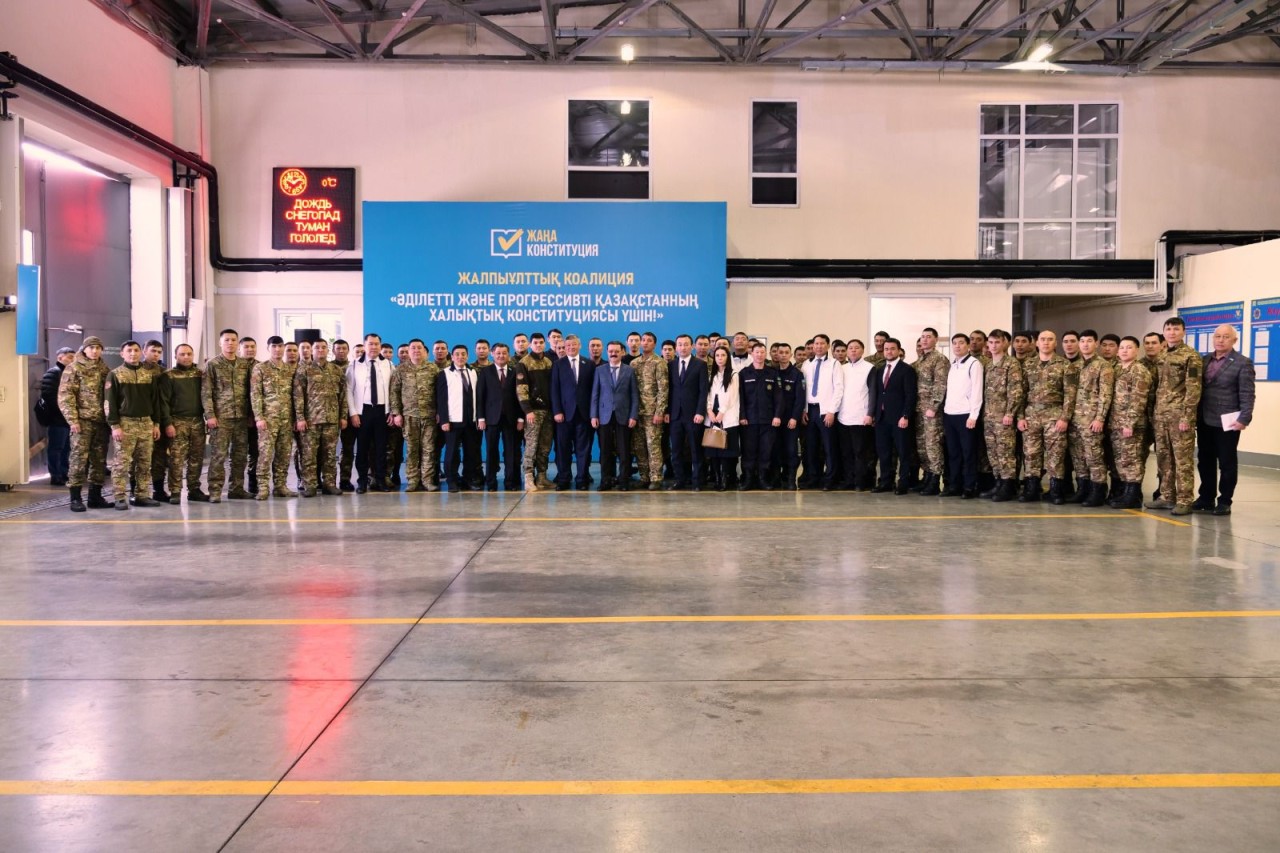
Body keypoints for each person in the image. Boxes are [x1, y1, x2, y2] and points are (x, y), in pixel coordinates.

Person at [1194, 323, 1254, 516]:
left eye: (1226, 337)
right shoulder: (1204, 360)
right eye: (1217, 336)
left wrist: (1244, 418)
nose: (1221, 340)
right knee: (1205, 460)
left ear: (1234, 340)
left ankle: (1225, 500)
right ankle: (1206, 497)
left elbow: (1247, 393)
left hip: (1229, 420)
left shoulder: (1242, 363)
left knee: (1227, 462)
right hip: (1204, 418)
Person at [1145, 317, 1203, 516]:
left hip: (1180, 416)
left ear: (1183, 332)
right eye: (1168, 329)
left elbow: (1194, 388)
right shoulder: (1161, 356)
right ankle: (1167, 496)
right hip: (1161, 415)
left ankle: (1185, 499)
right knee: (1163, 458)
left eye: (1176, 329)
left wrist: (1187, 416)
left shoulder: (1191, 356)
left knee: (1182, 459)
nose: (1172, 332)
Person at [1018, 330, 1077, 504]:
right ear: (1036, 343)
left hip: (1055, 415)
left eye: (1050, 339)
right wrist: (1020, 416)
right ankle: (1031, 489)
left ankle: (1055, 490)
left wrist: (1065, 418)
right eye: (1042, 339)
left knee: (1056, 454)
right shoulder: (1028, 364)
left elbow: (1070, 394)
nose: (1046, 342)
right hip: (1031, 415)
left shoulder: (1065, 365)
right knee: (1031, 453)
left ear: (1055, 343)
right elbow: (1021, 393)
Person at [105, 340, 162, 510]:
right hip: (125, 424)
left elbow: (155, 401)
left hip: (146, 423)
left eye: (136, 350)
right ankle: (120, 497)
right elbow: (109, 403)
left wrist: (156, 423)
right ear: (122, 354)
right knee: (121, 463)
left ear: (141, 353)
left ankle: (142, 495)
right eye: (129, 350)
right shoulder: (115, 375)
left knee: (144, 463)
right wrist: (115, 426)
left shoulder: (148, 375)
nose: (133, 353)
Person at [58, 336, 112, 512]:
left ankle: (95, 497)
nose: (95, 351)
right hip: (82, 422)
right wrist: (72, 420)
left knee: (99, 460)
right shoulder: (73, 368)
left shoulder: (105, 369)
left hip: (101, 423)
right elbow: (65, 396)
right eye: (91, 348)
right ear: (84, 349)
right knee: (78, 460)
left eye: (98, 348)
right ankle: (75, 498)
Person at [203, 329, 255, 503]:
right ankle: (215, 490)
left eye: (233, 340)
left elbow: (250, 392)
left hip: (241, 417)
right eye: (227, 340)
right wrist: (210, 415)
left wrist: (250, 415)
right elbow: (206, 392)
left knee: (240, 456)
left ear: (237, 343)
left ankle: (236, 489)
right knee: (218, 456)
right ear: (220, 343)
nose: (230, 343)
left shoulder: (244, 365)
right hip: (221, 418)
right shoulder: (213, 364)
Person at [294, 338, 349, 497]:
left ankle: (329, 484)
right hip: (311, 421)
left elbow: (343, 396)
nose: (320, 350)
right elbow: (298, 396)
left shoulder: (336, 370)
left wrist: (343, 416)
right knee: (309, 455)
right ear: (312, 350)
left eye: (324, 347)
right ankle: (310, 485)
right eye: (317, 347)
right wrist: (300, 418)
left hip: (331, 420)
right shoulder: (304, 370)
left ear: (328, 350)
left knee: (330, 455)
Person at [1068, 330, 1115, 507]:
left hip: (1091, 420)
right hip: (1075, 419)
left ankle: (1098, 491)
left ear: (1096, 344)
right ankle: (1083, 489)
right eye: (1082, 341)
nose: (1085, 344)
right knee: (1078, 457)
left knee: (1094, 456)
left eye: (1089, 341)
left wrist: (1100, 418)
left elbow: (1105, 394)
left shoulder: (1103, 366)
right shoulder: (1074, 366)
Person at [159, 343, 209, 504]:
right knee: (176, 459)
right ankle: (175, 491)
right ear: (175, 356)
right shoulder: (169, 376)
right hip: (177, 422)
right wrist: (168, 423)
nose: (186, 357)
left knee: (196, 458)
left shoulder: (200, 374)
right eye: (182, 354)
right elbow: (163, 402)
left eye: (189, 354)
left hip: (197, 421)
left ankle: (194, 489)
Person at [389, 339, 441, 492]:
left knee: (429, 449)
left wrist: (440, 412)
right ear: (409, 351)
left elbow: (440, 393)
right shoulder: (400, 369)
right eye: (413, 348)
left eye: (419, 348)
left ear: (425, 351)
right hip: (409, 416)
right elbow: (394, 392)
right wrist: (396, 413)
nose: (416, 350)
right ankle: (412, 480)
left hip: (429, 416)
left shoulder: (433, 369)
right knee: (411, 450)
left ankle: (427, 480)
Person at [1107, 337, 1152, 509]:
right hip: (1116, 423)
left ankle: (1133, 497)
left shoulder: (1139, 370)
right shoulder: (1117, 369)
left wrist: (1129, 422)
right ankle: (1125, 493)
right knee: (1121, 460)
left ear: (1137, 350)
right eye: (1122, 348)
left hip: (1131, 425)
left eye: (1129, 347)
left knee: (1132, 460)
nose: (1124, 351)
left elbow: (1138, 399)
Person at [250, 336, 297, 500]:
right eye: (274, 346)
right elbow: (255, 394)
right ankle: (263, 487)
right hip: (268, 420)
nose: (277, 349)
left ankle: (280, 486)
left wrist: (295, 418)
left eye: (280, 346)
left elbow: (295, 396)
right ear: (268, 348)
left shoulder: (290, 369)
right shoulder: (260, 368)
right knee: (265, 455)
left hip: (286, 419)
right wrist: (259, 417)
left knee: (284, 455)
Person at [868, 338, 917, 495]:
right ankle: (885, 482)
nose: (889, 351)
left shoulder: (907, 370)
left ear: (899, 350)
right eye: (886, 349)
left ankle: (903, 483)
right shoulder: (880, 370)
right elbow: (878, 394)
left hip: (899, 418)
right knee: (884, 453)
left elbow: (910, 395)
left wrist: (905, 415)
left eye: (892, 348)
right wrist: (874, 415)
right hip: (882, 418)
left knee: (903, 452)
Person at [347, 331, 394, 493]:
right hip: (363, 412)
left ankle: (380, 480)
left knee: (381, 449)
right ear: (365, 345)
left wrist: (391, 412)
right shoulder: (354, 365)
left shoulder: (389, 365)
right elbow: (348, 390)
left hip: (382, 411)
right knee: (362, 449)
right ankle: (362, 481)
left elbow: (393, 390)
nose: (373, 347)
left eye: (376, 344)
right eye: (370, 344)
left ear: (380, 346)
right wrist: (353, 413)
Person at [982, 330, 1024, 502]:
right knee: (993, 453)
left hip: (1003, 417)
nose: (993, 346)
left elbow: (1015, 391)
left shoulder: (1011, 363)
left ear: (1005, 343)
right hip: (989, 416)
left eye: (997, 342)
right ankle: (998, 483)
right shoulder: (988, 364)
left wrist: (1010, 413)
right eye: (991, 342)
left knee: (1005, 452)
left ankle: (1008, 486)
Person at [590, 341, 638, 491]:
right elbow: (595, 394)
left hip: (624, 416)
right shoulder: (600, 370)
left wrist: (633, 416)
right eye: (610, 351)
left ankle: (623, 481)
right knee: (605, 451)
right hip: (604, 416)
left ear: (622, 352)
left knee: (624, 451)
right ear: (607, 352)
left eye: (616, 351)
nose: (613, 354)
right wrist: (594, 415)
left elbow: (634, 395)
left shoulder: (629, 371)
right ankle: (606, 480)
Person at [551, 334, 596, 490]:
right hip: (563, 415)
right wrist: (557, 411)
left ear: (579, 345)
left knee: (582, 449)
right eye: (568, 345)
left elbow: (593, 391)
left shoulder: (589, 364)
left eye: (573, 344)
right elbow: (554, 389)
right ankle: (564, 479)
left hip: (584, 415)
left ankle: (581, 479)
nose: (570, 347)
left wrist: (592, 413)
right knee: (563, 449)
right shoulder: (558, 364)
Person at [941, 333, 984, 498]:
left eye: (961, 343)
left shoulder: (974, 364)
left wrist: (973, 415)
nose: (957, 346)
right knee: (953, 453)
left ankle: (969, 486)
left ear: (968, 345)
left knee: (968, 453)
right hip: (950, 414)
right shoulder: (953, 365)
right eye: (954, 343)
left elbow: (977, 391)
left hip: (966, 415)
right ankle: (955, 485)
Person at [477, 342, 524, 491]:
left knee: (511, 452)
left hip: (511, 419)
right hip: (491, 419)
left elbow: (520, 396)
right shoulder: (486, 372)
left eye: (504, 353)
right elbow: (480, 396)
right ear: (492, 354)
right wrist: (481, 418)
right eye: (498, 353)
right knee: (491, 451)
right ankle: (491, 482)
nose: (501, 356)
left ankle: (510, 482)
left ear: (508, 355)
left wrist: (521, 418)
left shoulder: (514, 371)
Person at [799, 334, 843, 490]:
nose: (818, 346)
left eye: (822, 343)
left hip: (825, 410)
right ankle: (814, 478)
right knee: (811, 447)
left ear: (828, 346)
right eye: (816, 343)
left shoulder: (834, 364)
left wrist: (832, 411)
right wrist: (804, 409)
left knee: (829, 447)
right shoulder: (806, 364)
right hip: (810, 410)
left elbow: (839, 389)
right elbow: (803, 388)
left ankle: (830, 479)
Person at [666, 334, 709, 490]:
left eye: (686, 344)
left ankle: (697, 481)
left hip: (694, 415)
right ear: (676, 347)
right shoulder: (671, 365)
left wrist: (700, 412)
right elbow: (668, 391)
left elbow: (703, 391)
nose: (682, 347)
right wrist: (667, 411)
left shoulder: (700, 365)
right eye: (680, 344)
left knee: (696, 450)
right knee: (676, 450)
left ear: (692, 346)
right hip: (675, 415)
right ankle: (680, 480)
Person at [437, 344, 481, 491]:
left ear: (467, 356)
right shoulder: (445, 373)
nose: (460, 357)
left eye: (463, 354)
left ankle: (468, 479)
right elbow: (441, 399)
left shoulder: (473, 372)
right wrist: (444, 420)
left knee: (471, 452)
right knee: (452, 453)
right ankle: (452, 480)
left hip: (471, 420)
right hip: (453, 420)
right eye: (457, 354)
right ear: (452, 356)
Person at [912, 327, 949, 495]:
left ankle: (935, 479)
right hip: (918, 410)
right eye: (922, 337)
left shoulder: (939, 359)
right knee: (922, 446)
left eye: (928, 337)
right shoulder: (920, 361)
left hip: (931, 412)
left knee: (933, 445)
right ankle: (926, 476)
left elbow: (940, 384)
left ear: (935, 340)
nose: (925, 340)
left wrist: (934, 407)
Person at [516, 332, 555, 491]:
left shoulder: (548, 362)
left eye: (541, 343)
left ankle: (542, 477)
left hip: (548, 411)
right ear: (530, 345)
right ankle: (528, 478)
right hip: (533, 412)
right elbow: (521, 390)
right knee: (531, 446)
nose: (538, 345)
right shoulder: (524, 363)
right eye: (535, 343)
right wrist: (527, 410)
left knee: (545, 446)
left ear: (545, 344)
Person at [630, 331, 669, 491]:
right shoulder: (634, 363)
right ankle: (644, 477)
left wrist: (660, 411)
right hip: (636, 413)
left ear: (654, 344)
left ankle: (656, 477)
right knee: (639, 447)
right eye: (643, 340)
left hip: (652, 413)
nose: (645, 343)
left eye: (649, 340)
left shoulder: (659, 362)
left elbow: (663, 389)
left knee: (653, 446)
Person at [836, 339, 874, 491]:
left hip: (861, 417)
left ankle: (860, 482)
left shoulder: (869, 368)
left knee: (860, 452)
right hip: (843, 417)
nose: (853, 350)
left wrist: (870, 414)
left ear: (862, 350)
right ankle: (849, 480)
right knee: (846, 452)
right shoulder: (841, 368)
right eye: (850, 348)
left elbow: (873, 393)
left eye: (856, 348)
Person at [704, 346, 741, 491]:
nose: (720, 358)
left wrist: (721, 413)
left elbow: (731, 396)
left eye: (723, 355)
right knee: (713, 451)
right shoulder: (712, 374)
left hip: (727, 417)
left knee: (726, 451)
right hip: (712, 416)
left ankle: (725, 479)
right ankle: (717, 478)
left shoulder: (733, 374)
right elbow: (708, 395)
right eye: (717, 355)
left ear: (727, 357)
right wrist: (709, 411)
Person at [40, 347, 76, 486]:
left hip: (68, 419)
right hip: (57, 419)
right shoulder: (53, 373)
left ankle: (64, 473)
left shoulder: (69, 373)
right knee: (56, 448)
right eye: (70, 357)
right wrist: (64, 413)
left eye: (74, 357)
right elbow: (50, 396)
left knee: (66, 448)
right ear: (60, 357)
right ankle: (55, 475)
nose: (73, 360)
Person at [772, 342, 806, 490]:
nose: (783, 355)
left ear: (791, 355)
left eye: (786, 353)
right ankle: (777, 478)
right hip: (774, 419)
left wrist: (794, 418)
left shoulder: (797, 374)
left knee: (791, 450)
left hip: (790, 419)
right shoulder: (772, 372)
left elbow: (800, 399)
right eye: (781, 352)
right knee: (776, 449)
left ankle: (790, 479)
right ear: (776, 354)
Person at [139, 340, 168, 501]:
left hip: (161, 419)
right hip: (142, 419)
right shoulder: (138, 370)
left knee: (159, 457)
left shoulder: (164, 373)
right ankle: (138, 491)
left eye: (158, 352)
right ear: (144, 351)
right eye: (153, 351)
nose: (156, 354)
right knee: (140, 458)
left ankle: (158, 490)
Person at [332, 339, 359, 491]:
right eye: (338, 348)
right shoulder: (328, 367)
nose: (341, 351)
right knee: (328, 450)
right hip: (330, 414)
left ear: (348, 350)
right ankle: (327, 480)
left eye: (344, 348)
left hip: (350, 414)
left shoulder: (354, 366)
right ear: (333, 351)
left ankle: (344, 479)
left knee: (348, 449)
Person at [238, 337, 260, 494]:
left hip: (256, 417)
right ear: (240, 348)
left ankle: (253, 482)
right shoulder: (234, 366)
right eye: (246, 347)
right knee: (238, 453)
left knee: (256, 451)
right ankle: (236, 485)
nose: (250, 349)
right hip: (237, 417)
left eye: (253, 346)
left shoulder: (261, 367)